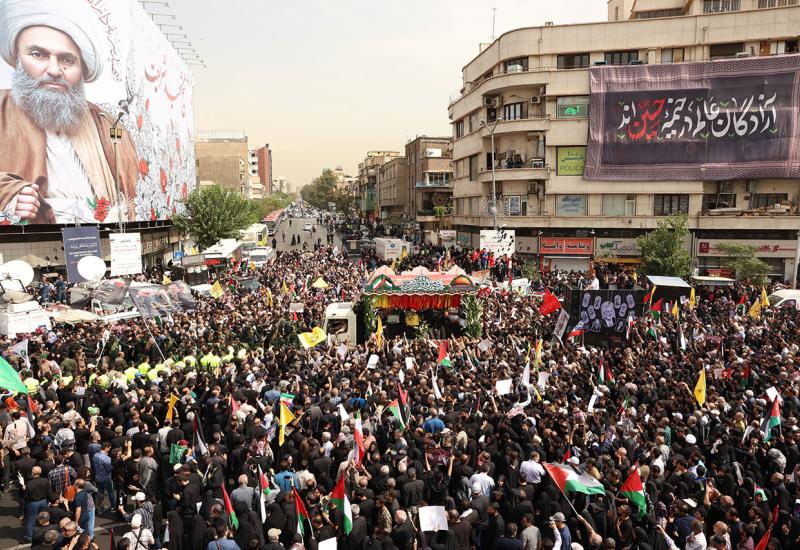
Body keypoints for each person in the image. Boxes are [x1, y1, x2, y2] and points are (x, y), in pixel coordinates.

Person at [0, 0, 139, 223]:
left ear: (82, 69)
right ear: (17, 57)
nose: (54, 70)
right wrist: (11, 195)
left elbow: (131, 197)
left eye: (67, 60)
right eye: (38, 54)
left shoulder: (108, 126)